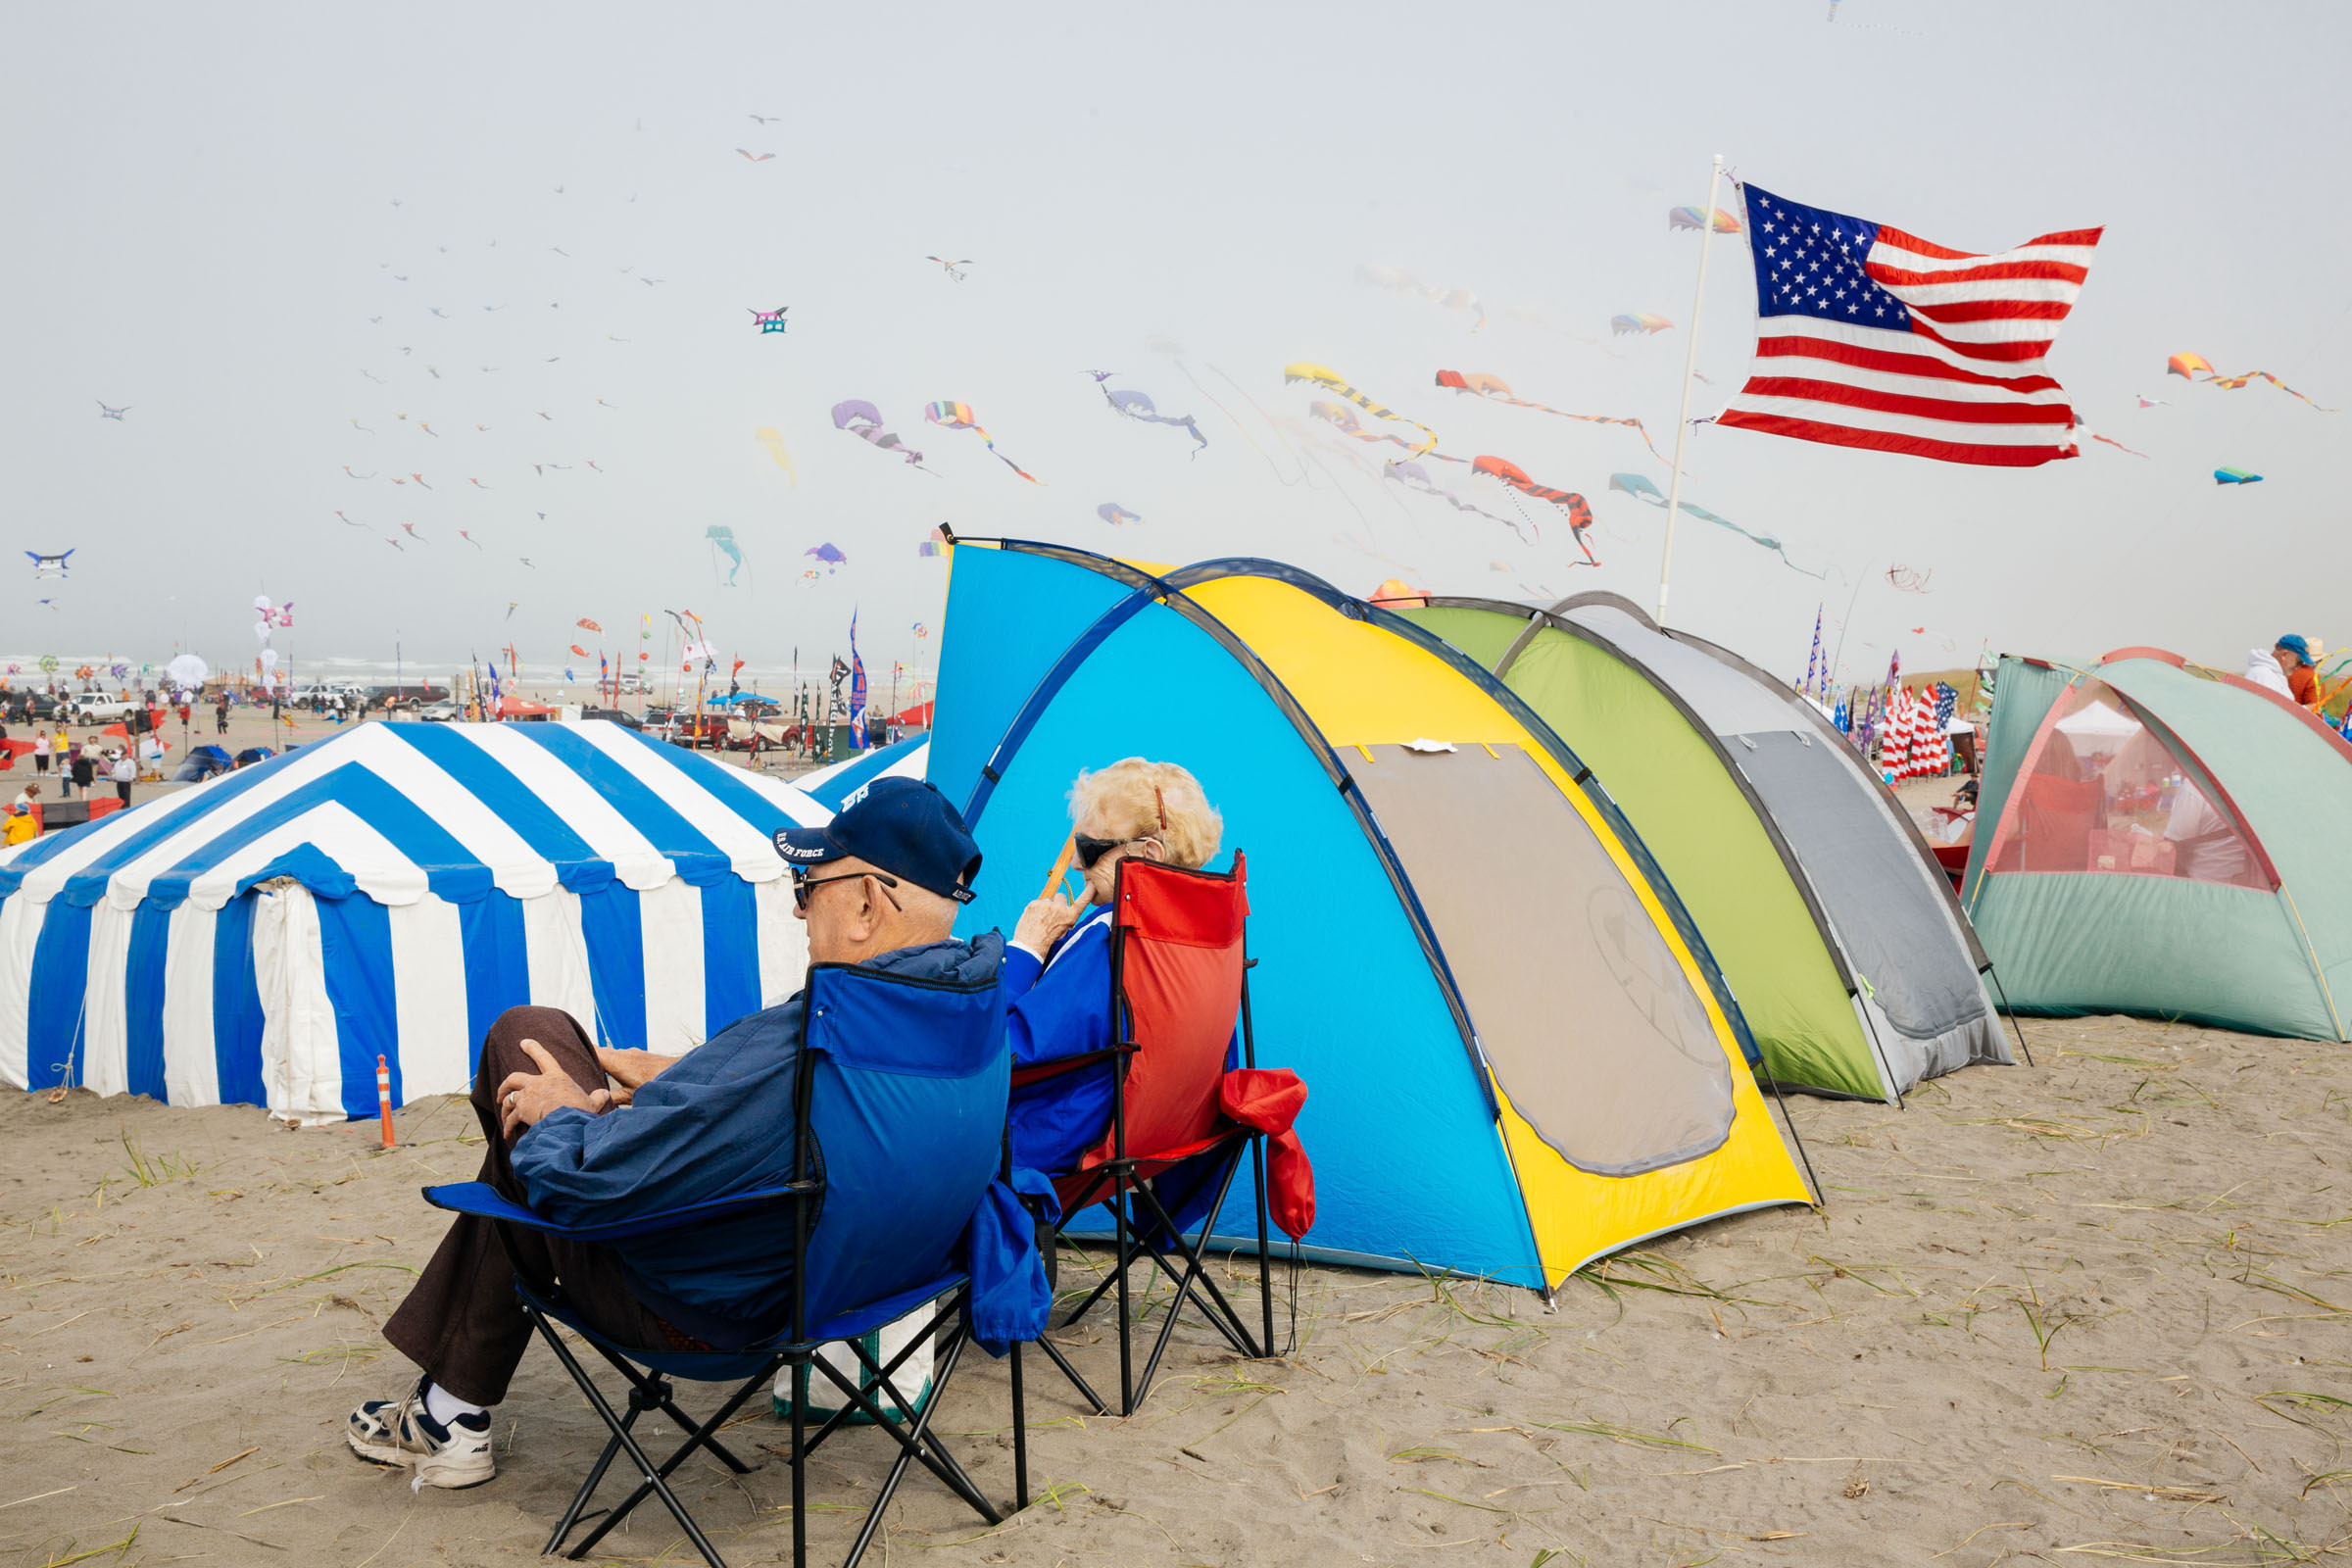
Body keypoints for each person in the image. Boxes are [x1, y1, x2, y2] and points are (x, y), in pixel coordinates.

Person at [347, 777, 995, 1491]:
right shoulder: (963, 1017)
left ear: (868, 904)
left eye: (807, 887)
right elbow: (760, 1110)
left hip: (705, 1311)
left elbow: (585, 1178)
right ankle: (449, 1409)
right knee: (541, 1116)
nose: (800, 910)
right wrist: (654, 1091)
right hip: (857, 1284)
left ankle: (449, 1413)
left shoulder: (819, 1036)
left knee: (525, 1037)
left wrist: (572, 1113)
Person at [1002, 759, 1226, 1176]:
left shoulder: (1110, 941)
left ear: (1147, 856)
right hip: (1166, 1140)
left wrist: (1024, 952)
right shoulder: (1207, 934)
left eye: (1089, 850)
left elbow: (1004, 1050)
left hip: (1052, 1140)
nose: (1074, 865)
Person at [2274, 634, 2322, 708]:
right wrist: (2307, 709)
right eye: (2298, 661)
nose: (2297, 667)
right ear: (2284, 654)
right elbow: (2316, 712)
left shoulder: (2281, 673)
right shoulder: (2314, 678)